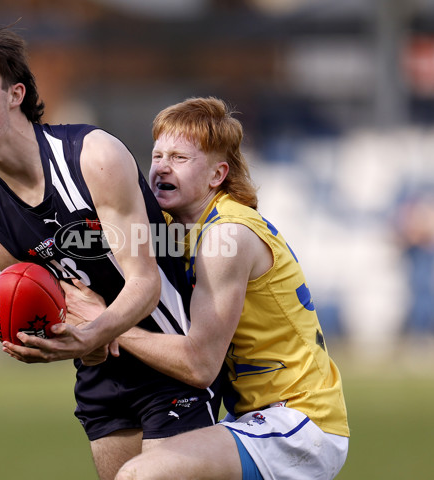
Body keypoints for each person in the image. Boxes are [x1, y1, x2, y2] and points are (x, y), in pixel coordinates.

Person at [0, 17, 222, 480]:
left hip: (170, 353)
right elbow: (64, 309)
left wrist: (93, 332)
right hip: (103, 380)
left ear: (15, 94)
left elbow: (144, 283)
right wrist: (51, 340)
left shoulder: (91, 157)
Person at [59, 97, 350, 480]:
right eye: (158, 154)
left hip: (298, 423)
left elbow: (199, 364)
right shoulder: (173, 227)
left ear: (217, 175)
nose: (162, 166)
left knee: (140, 475)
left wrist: (106, 324)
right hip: (254, 420)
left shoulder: (226, 236)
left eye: (180, 157)